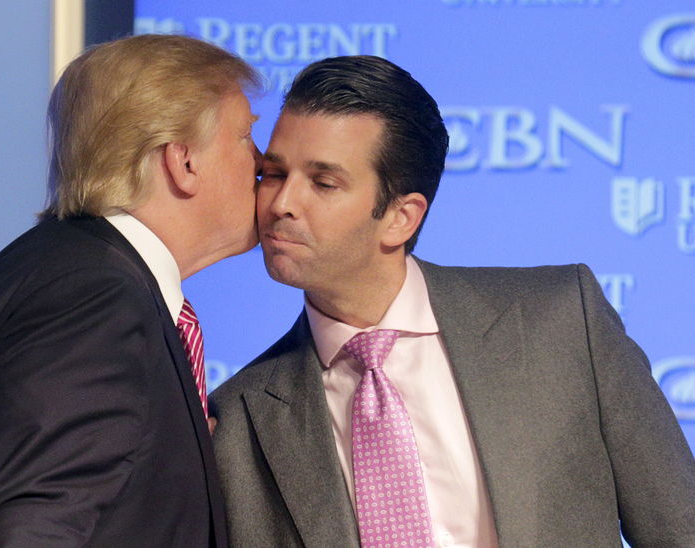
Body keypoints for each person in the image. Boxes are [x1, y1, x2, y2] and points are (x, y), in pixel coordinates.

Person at [209, 55, 695, 547]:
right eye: (273, 173)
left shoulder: (563, 320)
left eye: (323, 183)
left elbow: (679, 527)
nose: (282, 203)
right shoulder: (238, 417)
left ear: (402, 216)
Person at [0, 34, 261, 546]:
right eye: (245, 137)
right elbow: (31, 529)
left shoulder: (69, 270)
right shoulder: (94, 297)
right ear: (183, 160)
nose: (264, 163)